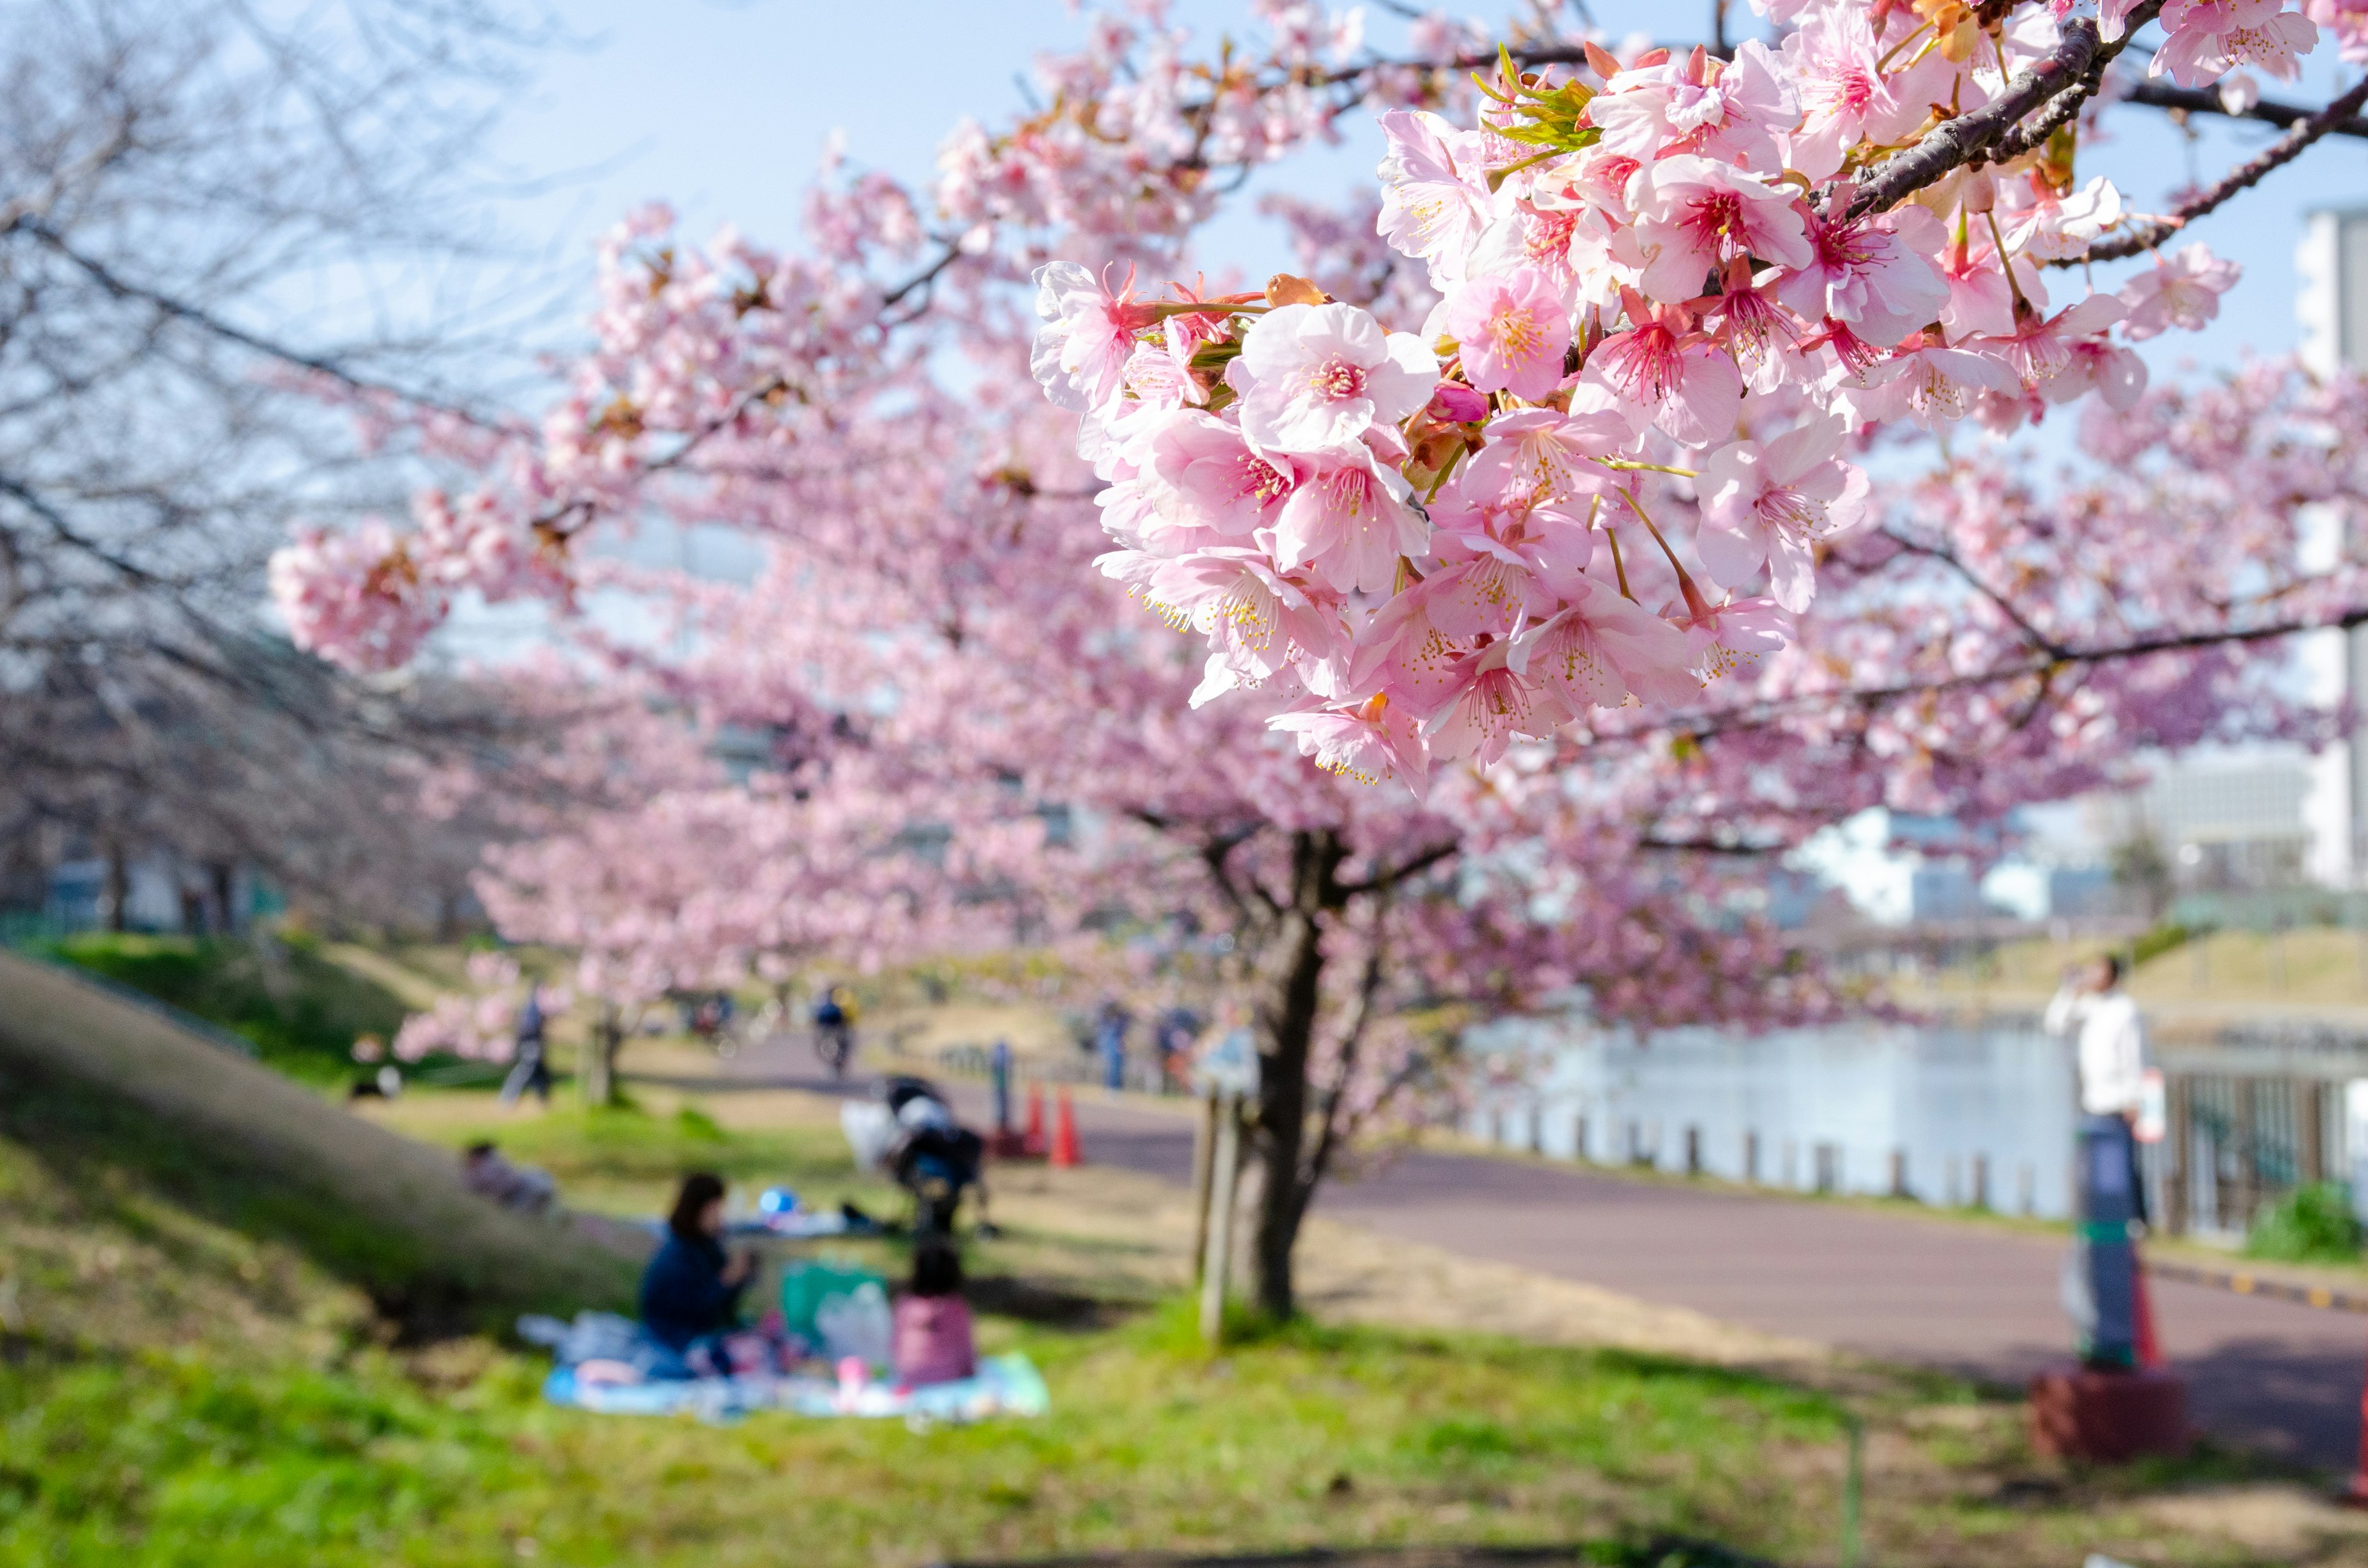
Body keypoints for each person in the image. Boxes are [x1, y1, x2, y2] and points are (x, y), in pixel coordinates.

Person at [2044, 952, 2153, 1368]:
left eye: (2097, 969)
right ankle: (2108, 1219)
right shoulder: (2089, 1008)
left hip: (2118, 1105)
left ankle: (2135, 1219)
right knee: (2098, 1177)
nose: (2092, 975)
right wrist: (2069, 988)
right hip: (2093, 1105)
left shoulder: (2127, 1010)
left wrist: (2135, 1098)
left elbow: (2136, 1053)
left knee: (2125, 1169)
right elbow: (2055, 1024)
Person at [639, 1172, 755, 1363]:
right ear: (697, 1210)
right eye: (715, 1210)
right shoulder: (676, 1256)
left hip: (699, 1333)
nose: (720, 1218)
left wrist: (740, 1278)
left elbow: (724, 1308)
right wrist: (726, 1282)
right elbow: (694, 1309)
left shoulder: (706, 1248)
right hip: (675, 1338)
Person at [892, 1239, 976, 1387]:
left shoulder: (905, 1304)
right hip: (948, 1377)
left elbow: (896, 1343)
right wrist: (971, 1375)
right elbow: (966, 1350)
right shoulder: (955, 1307)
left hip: (909, 1375)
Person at [460, 1141, 556, 1214]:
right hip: (517, 1193)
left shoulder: (488, 1167)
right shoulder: (483, 1168)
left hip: (522, 1190)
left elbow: (499, 1186)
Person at [499, 985, 551, 1107]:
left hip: (531, 1045)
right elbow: (529, 1029)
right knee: (524, 1073)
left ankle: (543, 1100)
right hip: (531, 1046)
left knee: (539, 1074)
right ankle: (508, 1099)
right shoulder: (533, 1009)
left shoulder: (532, 1007)